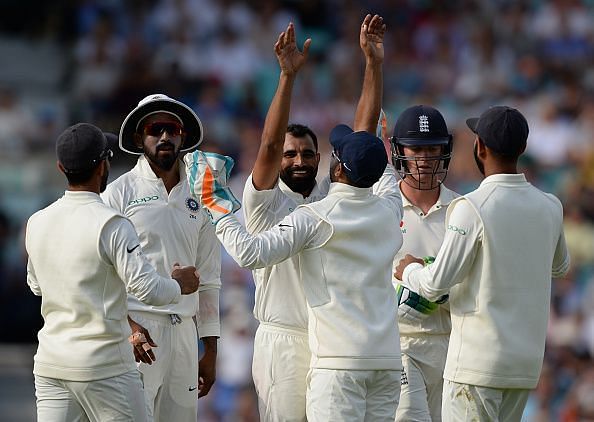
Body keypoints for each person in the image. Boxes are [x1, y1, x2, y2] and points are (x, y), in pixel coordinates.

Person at [187, 124, 404, 422]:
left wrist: (214, 200)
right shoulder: (391, 208)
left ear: (338, 171)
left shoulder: (314, 218)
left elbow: (249, 253)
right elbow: (384, 171)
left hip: (337, 363)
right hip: (387, 362)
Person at [242, 15, 388, 421]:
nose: (300, 160)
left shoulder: (330, 195)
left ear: (323, 159)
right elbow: (269, 144)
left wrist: (373, 64)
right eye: (291, 154)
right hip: (284, 339)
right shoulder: (264, 202)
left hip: (331, 341)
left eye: (308, 153)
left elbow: (364, 140)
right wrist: (287, 77)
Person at [395, 106, 571, 421]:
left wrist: (408, 269)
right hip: (523, 367)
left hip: (476, 366)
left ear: (480, 147)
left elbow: (434, 285)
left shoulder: (471, 207)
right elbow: (559, 267)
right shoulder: (551, 206)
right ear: (523, 148)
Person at [25, 123, 200, 421]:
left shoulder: (37, 221)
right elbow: (149, 290)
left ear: (60, 167)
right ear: (103, 166)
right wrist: (178, 284)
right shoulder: (112, 223)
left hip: (51, 365)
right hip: (105, 368)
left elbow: (36, 285)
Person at [102, 94, 221, 421]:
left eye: (173, 129)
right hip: (138, 332)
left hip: (184, 332)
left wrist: (210, 349)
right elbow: (102, 273)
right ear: (140, 138)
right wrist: (126, 325)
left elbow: (209, 278)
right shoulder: (119, 192)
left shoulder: (201, 194)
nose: (165, 137)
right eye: (156, 129)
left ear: (182, 136)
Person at [390, 105, 459, 421]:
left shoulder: (462, 210)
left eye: (433, 148)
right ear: (399, 150)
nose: (425, 157)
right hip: (400, 343)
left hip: (452, 344)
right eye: (415, 148)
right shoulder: (383, 210)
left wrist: (427, 284)